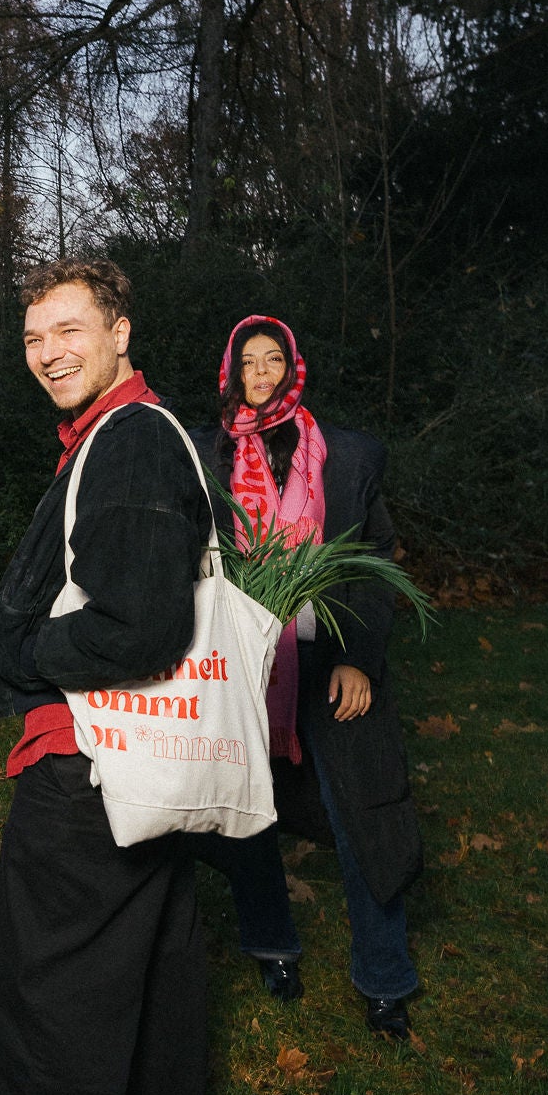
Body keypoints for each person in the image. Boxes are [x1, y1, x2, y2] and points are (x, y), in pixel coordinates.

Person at [0, 258, 212, 1095]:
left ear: (119, 332)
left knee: (44, 987)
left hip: (90, 765)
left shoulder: (131, 440)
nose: (48, 350)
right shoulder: (126, 431)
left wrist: (17, 652)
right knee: (154, 960)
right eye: (32, 336)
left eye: (67, 329)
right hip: (155, 762)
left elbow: (139, 624)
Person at [188, 315, 423, 1039]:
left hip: (326, 658)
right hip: (239, 661)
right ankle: (271, 943)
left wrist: (361, 659)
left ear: (294, 368)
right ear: (231, 374)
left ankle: (385, 979)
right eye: (248, 364)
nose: (261, 375)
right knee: (246, 805)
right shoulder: (207, 457)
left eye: (273, 362)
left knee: (361, 812)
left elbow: (376, 562)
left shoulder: (341, 458)